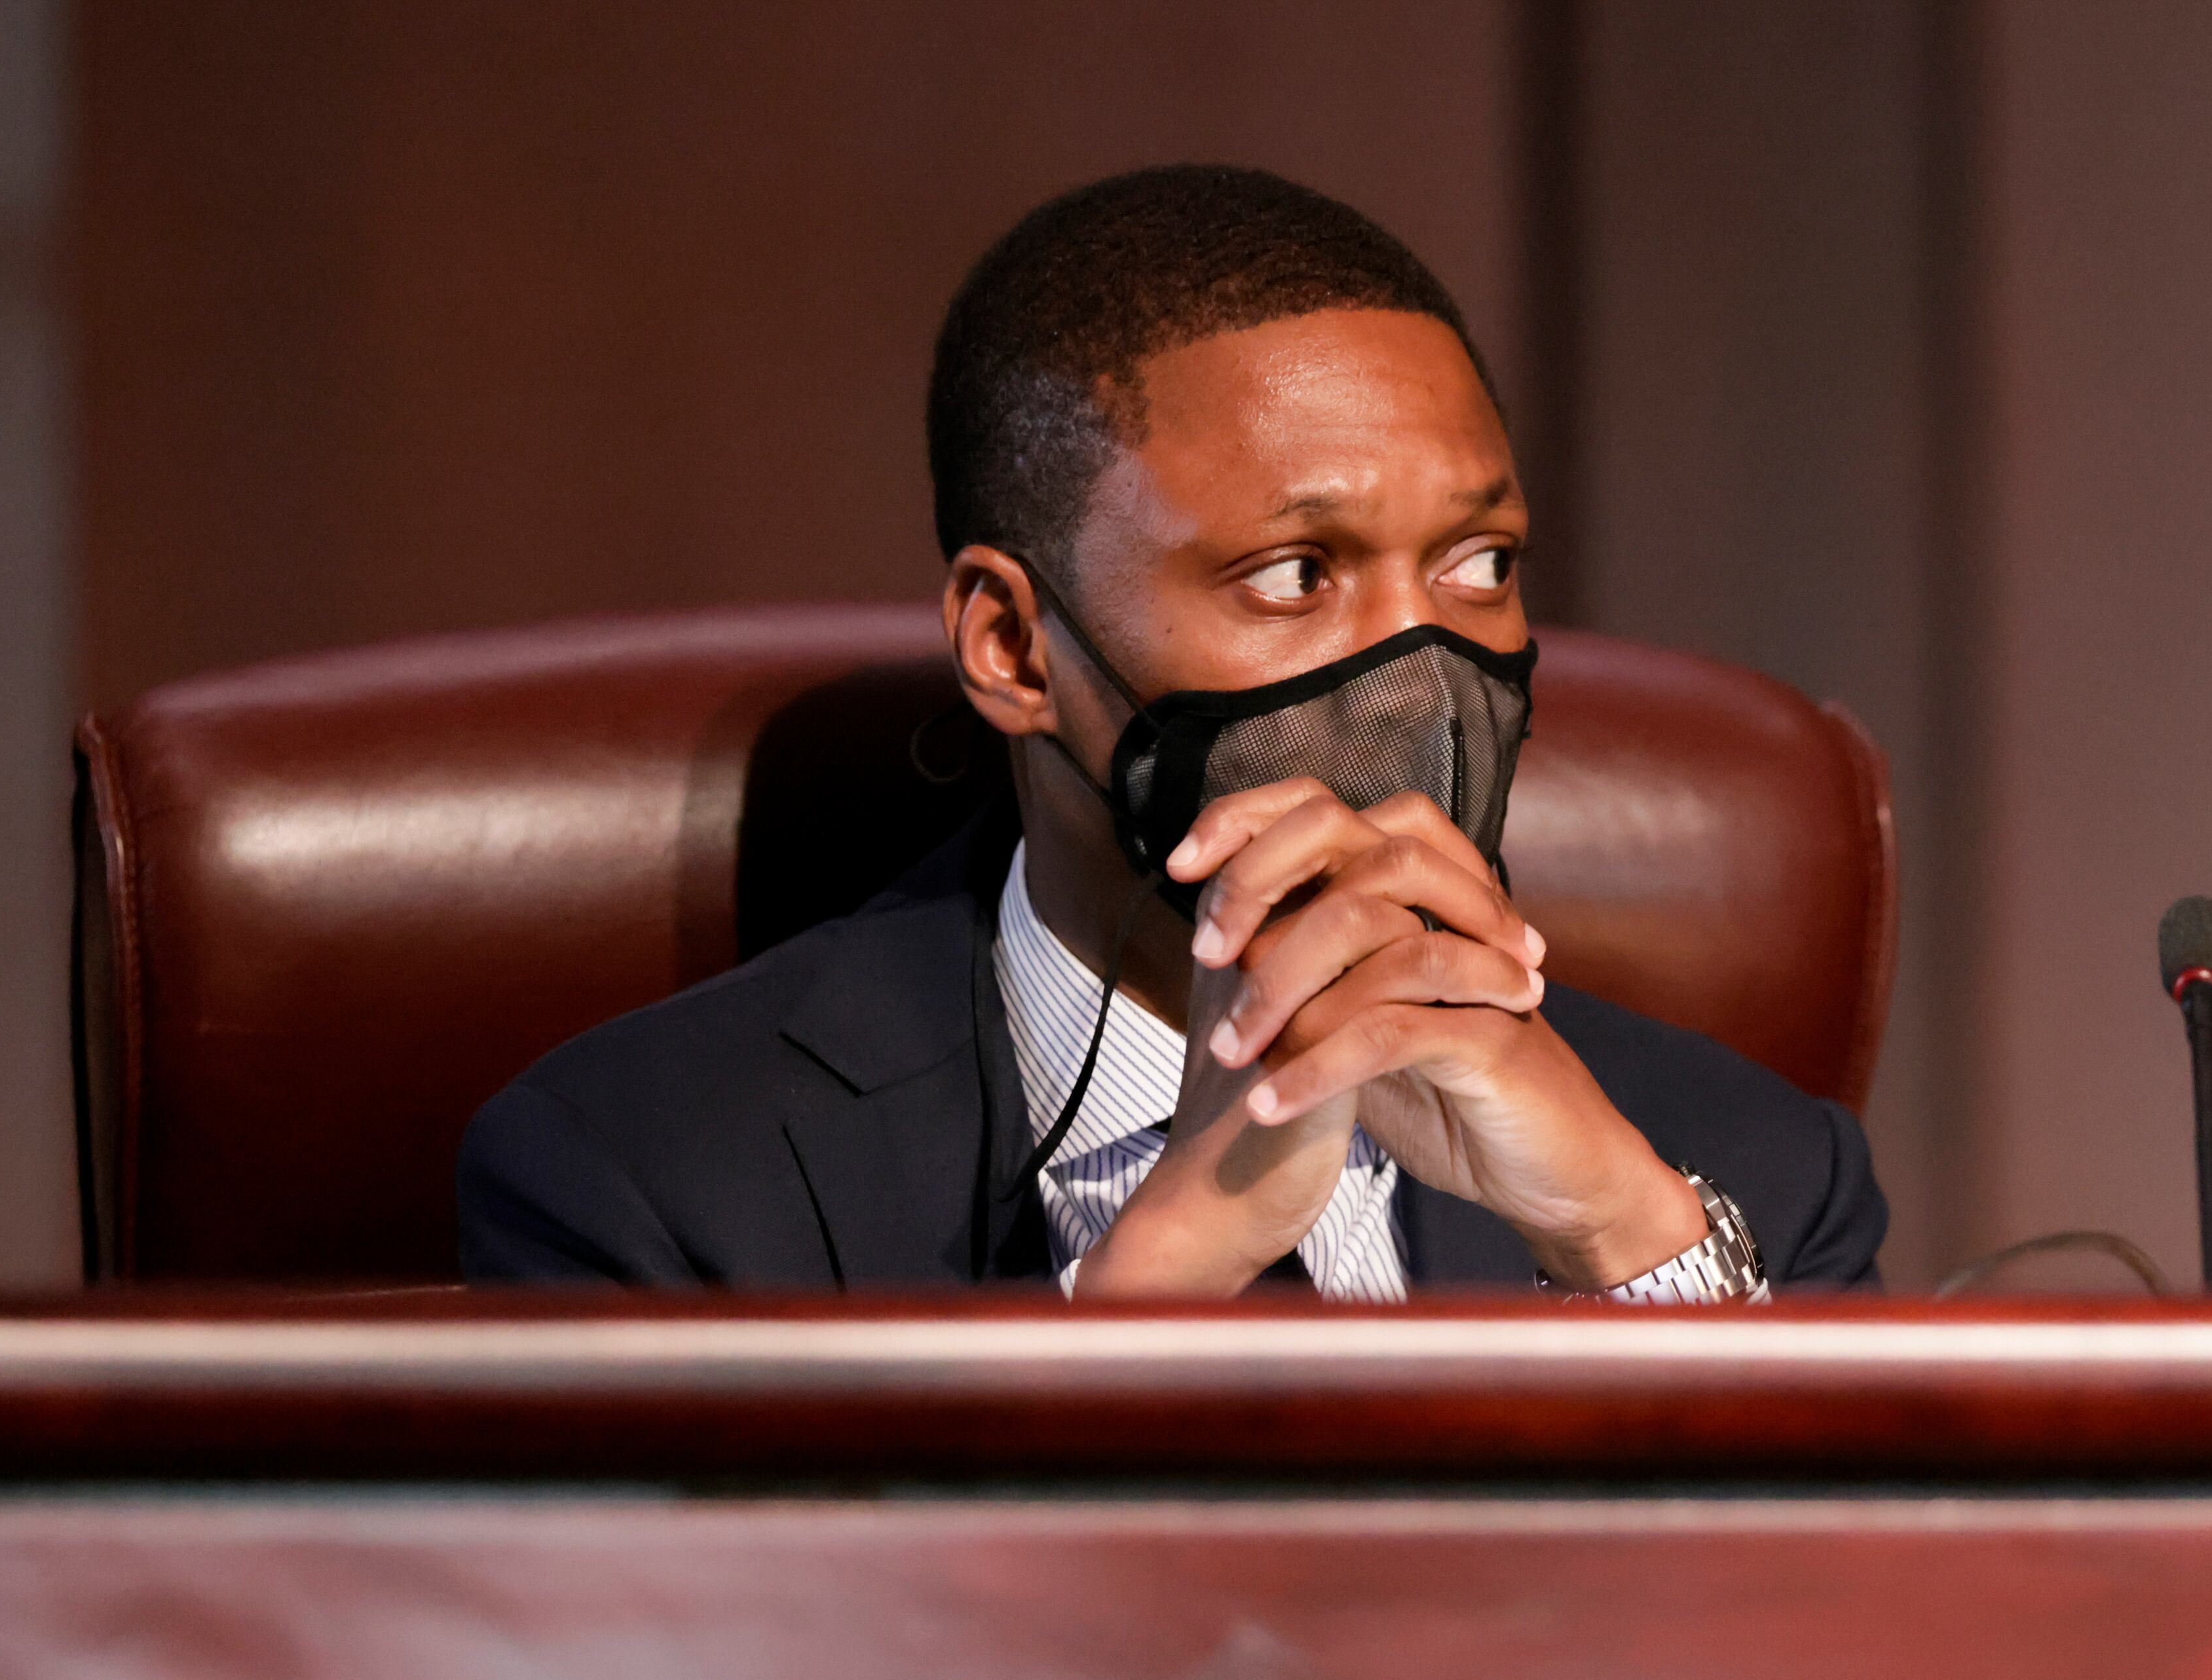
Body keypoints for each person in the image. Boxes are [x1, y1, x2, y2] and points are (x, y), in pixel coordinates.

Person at [459, 165, 1887, 1299]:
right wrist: (1165, 1272)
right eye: (1294, 575)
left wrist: (1631, 1242)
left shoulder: (1747, 1166)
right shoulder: (648, 1184)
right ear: (1015, 647)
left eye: (1480, 567)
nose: (1417, 672)